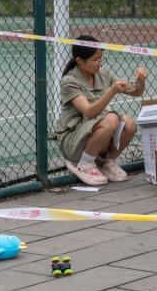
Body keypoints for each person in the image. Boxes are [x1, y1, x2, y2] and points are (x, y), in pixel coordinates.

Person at [54, 37, 147, 186]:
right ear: (79, 61)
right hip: (74, 140)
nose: (99, 62)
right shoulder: (69, 81)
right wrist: (112, 91)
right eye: (95, 59)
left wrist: (141, 81)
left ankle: (106, 162)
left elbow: (136, 92)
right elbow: (89, 112)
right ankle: (84, 164)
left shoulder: (103, 74)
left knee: (129, 123)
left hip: (95, 134)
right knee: (112, 119)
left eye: (100, 58)